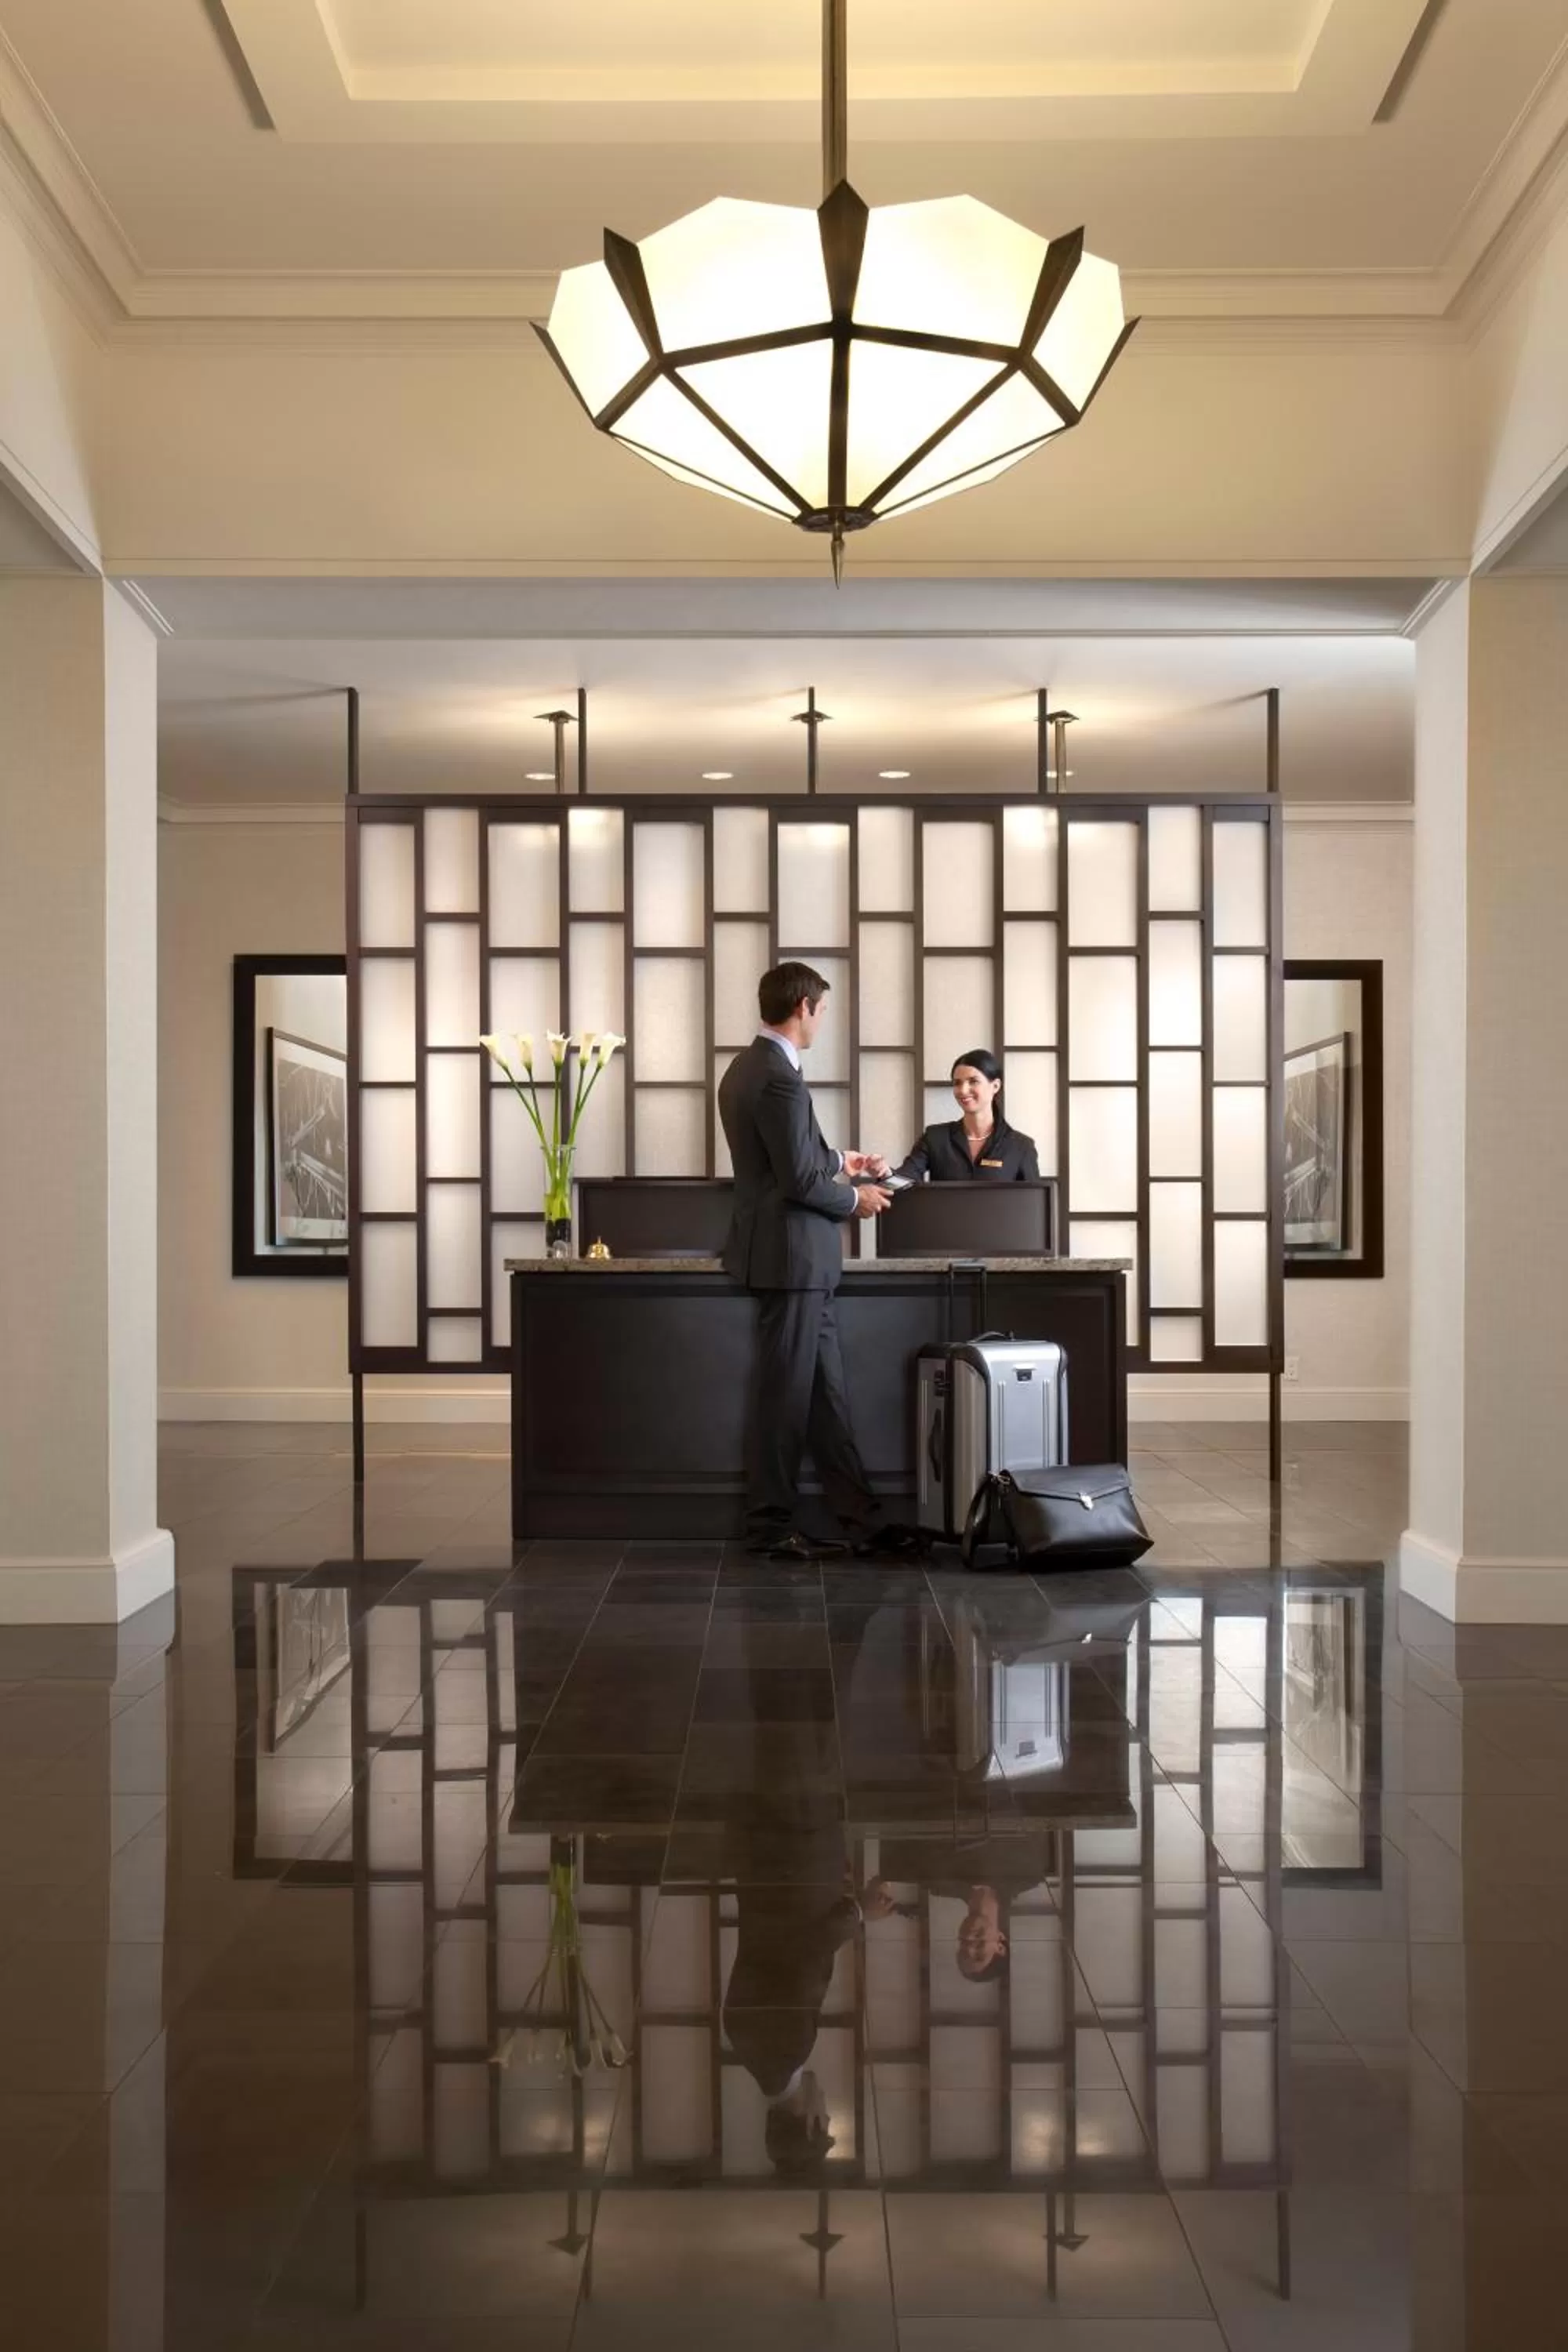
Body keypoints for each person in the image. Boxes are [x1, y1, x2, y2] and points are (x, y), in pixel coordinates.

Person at [717, 960, 906, 1561]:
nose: (822, 1020)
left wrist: (841, 1160)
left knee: (827, 1398)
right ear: (804, 1007)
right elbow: (798, 1180)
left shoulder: (749, 1067)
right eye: (822, 1010)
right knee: (786, 1398)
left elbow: (793, 1160)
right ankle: (770, 1525)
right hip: (792, 1259)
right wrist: (857, 1198)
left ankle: (861, 1518)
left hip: (797, 1263)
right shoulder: (778, 1076)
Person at [892, 1047, 1040, 1184]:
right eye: (957, 1083)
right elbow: (904, 1180)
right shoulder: (935, 1138)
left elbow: (1034, 1203)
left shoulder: (1021, 1147)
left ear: (995, 1086)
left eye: (973, 1081)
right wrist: (885, 1174)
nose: (963, 1090)